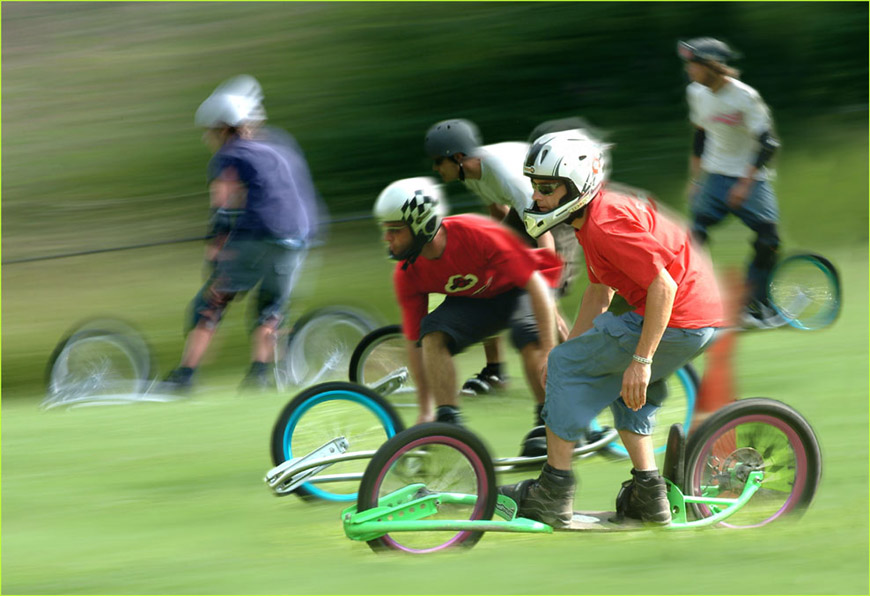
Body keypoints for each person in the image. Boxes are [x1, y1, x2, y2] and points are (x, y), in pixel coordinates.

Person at [499, 130, 726, 528]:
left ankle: (552, 493)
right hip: (693, 316)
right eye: (534, 187)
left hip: (680, 314)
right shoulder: (593, 219)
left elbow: (663, 285)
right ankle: (649, 495)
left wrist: (640, 359)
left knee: (568, 366)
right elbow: (600, 293)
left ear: (576, 184)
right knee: (607, 379)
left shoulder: (605, 225)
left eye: (547, 188)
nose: (536, 198)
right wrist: (574, 346)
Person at [164, 75, 321, 391]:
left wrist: (215, 252)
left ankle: (184, 376)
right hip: (297, 239)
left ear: (223, 129)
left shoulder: (228, 156)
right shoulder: (274, 149)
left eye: (209, 131)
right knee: (270, 308)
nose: (207, 138)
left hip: (257, 238)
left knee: (209, 304)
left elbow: (222, 211)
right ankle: (260, 376)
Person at [373, 176, 561, 435]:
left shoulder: (476, 233)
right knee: (431, 334)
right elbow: (414, 341)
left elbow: (536, 284)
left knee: (528, 336)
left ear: (421, 223)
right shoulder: (407, 273)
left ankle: (549, 421)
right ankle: (448, 423)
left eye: (395, 229)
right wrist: (425, 409)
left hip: (521, 288)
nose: (387, 238)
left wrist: (550, 350)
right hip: (478, 300)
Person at [423, 119, 578, 396]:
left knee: (544, 303)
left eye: (438, 161)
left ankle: (578, 368)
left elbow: (544, 236)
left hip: (556, 216)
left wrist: (547, 289)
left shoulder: (507, 175)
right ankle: (495, 371)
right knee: (482, 279)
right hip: (527, 212)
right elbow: (497, 210)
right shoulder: (470, 173)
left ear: (457, 157)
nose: (435, 168)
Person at [677, 37, 783, 328]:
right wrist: (696, 180)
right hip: (714, 175)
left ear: (710, 66)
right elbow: (700, 135)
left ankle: (756, 304)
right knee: (694, 235)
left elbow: (768, 143)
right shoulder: (696, 93)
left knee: (768, 240)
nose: (689, 70)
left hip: (750, 178)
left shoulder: (745, 97)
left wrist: (744, 185)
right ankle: (696, 303)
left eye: (693, 64)